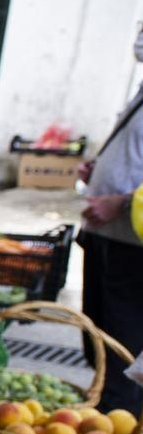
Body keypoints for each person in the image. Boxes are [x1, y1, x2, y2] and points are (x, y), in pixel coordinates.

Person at [77, 23, 143, 412]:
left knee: (122, 343)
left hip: (132, 243)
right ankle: (106, 406)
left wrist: (120, 201)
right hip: (106, 235)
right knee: (98, 338)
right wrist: (100, 168)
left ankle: (118, 421)